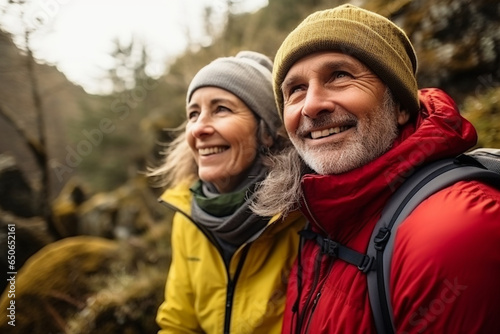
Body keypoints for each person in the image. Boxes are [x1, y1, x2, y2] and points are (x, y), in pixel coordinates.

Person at [252, 4, 500, 333]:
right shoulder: (317, 221)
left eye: (340, 75)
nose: (311, 105)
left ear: (399, 105)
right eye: (295, 89)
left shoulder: (454, 233)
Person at [150, 51, 305, 333]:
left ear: (266, 132)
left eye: (221, 109)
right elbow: (178, 323)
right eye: (193, 114)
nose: (199, 128)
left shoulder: (301, 212)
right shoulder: (189, 212)